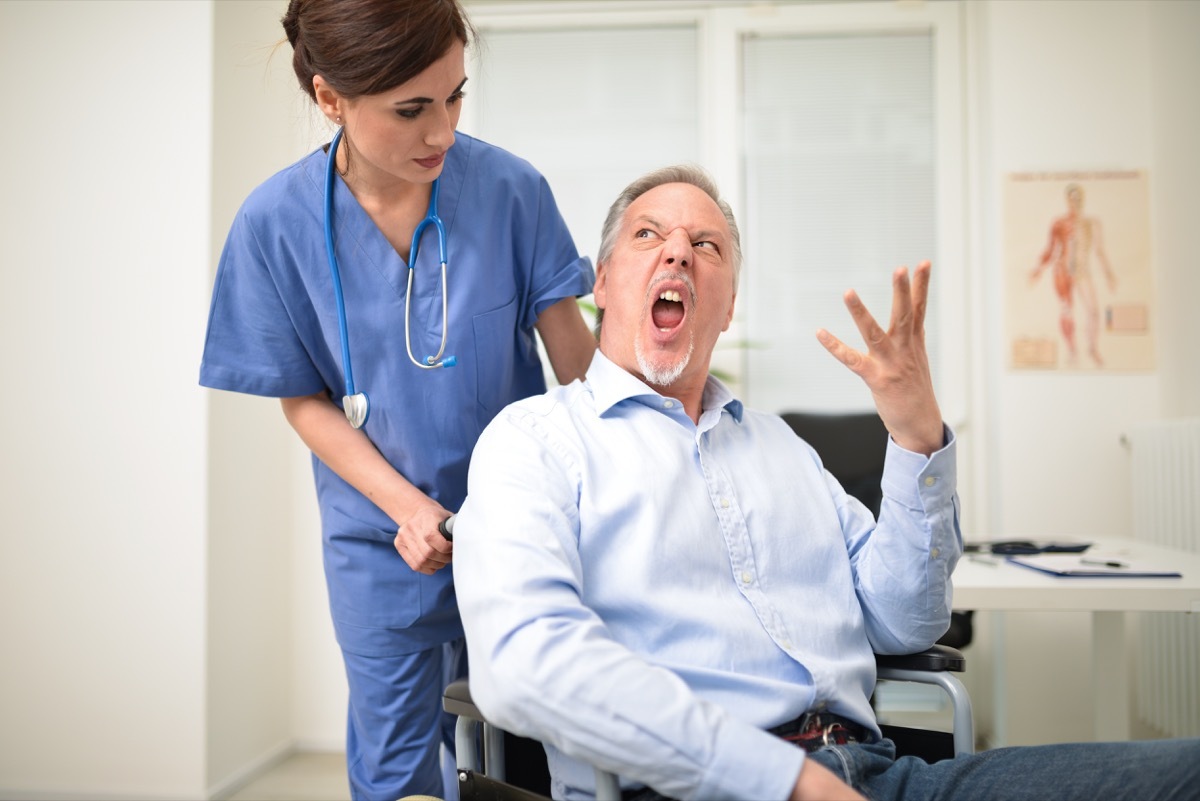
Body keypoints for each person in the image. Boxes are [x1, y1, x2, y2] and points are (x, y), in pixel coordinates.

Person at [453, 165, 1200, 801]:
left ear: (728, 302)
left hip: (882, 776)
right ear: (603, 283)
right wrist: (784, 778)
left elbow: (906, 621)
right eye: (649, 235)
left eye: (705, 245)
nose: (679, 252)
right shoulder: (536, 442)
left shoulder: (782, 448)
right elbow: (527, 660)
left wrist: (914, 439)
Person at [198, 1, 596, 798]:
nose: (442, 132)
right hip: (378, 540)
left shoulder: (512, 191)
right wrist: (408, 507)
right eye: (412, 109)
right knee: (398, 767)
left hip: (520, 528)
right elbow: (302, 397)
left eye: (456, 97)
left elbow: (580, 372)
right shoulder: (273, 224)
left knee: (532, 754)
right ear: (330, 99)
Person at [1028, 182, 1118, 367]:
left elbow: (1099, 251)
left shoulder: (1092, 223)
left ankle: (1092, 348)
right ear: (1067, 200)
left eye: (1079, 198)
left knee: (1093, 311)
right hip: (1063, 272)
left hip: (1083, 273)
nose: (1076, 201)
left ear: (1083, 199)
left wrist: (1109, 274)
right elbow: (1051, 249)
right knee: (1067, 312)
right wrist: (1039, 269)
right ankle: (1072, 350)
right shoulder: (1059, 223)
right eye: (1072, 198)